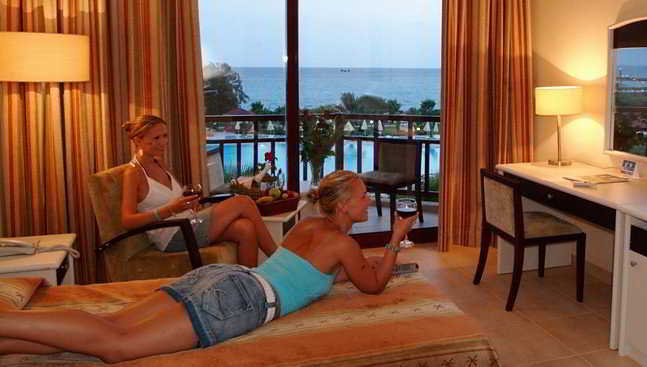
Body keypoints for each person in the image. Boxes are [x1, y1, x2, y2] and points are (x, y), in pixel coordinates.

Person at [0, 170, 417, 362]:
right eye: (363, 196)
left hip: (225, 277)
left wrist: (370, 261)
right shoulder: (343, 243)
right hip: (240, 298)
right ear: (343, 206)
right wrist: (395, 240)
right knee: (117, 346)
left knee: (112, 325)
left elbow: (321, 272)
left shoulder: (309, 226)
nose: (368, 200)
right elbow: (373, 285)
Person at [120, 115, 277, 267]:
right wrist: (169, 210)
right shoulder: (133, 173)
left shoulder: (159, 163)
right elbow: (127, 220)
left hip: (189, 221)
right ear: (138, 140)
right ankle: (279, 261)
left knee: (245, 228)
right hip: (172, 235)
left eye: (165, 136)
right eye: (156, 138)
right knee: (243, 202)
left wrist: (189, 201)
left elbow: (178, 194)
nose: (163, 142)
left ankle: (249, 282)